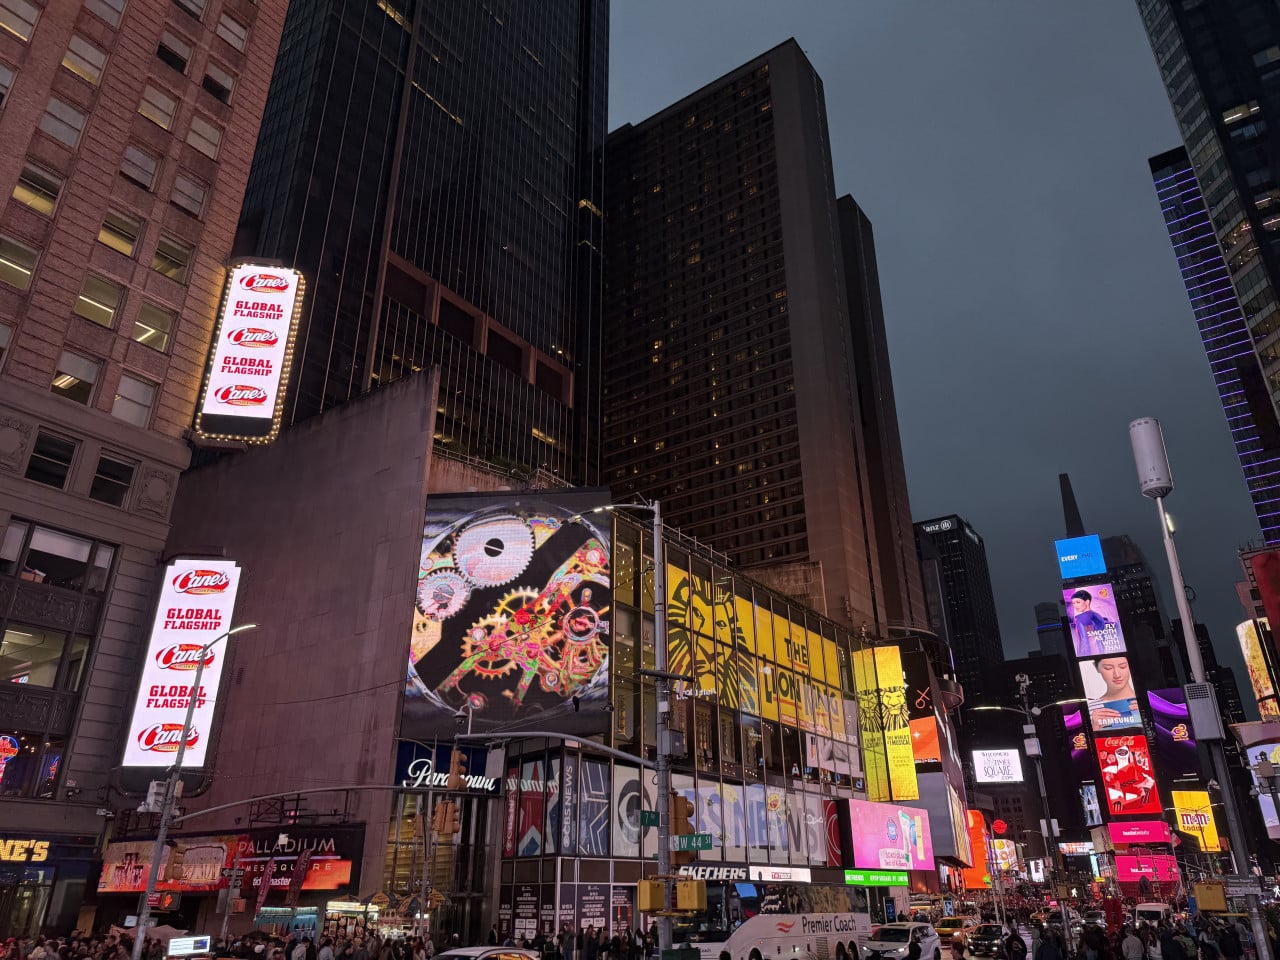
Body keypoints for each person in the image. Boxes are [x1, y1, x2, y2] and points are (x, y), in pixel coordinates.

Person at [1087, 656, 1140, 731]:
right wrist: (1094, 729)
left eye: (1122, 667)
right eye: (1108, 668)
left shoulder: (1150, 700)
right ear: (1096, 667)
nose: (1117, 675)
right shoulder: (1090, 710)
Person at [1069, 589, 1118, 656]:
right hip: (1101, 651)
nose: (1075, 606)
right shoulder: (1098, 615)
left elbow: (1084, 641)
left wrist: (1083, 656)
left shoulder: (1079, 618)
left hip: (1089, 653)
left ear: (1087, 602)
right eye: (1073, 603)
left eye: (1078, 602)